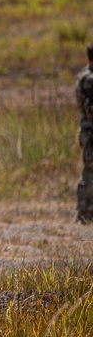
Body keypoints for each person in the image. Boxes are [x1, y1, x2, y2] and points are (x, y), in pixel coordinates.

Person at [76, 43, 93, 223]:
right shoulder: (89, 79)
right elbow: (90, 108)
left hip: (87, 129)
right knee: (89, 171)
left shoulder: (84, 76)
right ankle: (85, 211)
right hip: (90, 131)